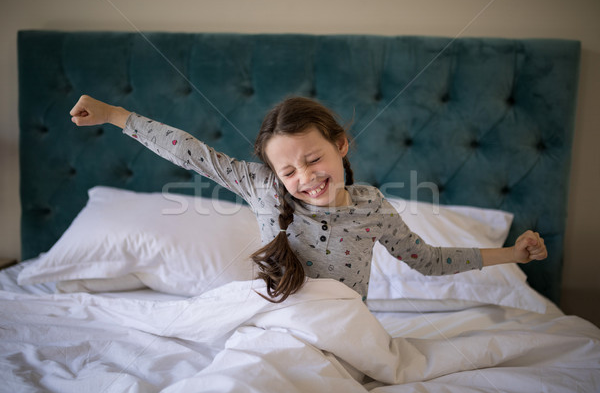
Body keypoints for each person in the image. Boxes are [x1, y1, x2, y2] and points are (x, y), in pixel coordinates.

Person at [70, 95, 547, 303]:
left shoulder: (370, 206)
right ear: (273, 173)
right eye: (289, 169)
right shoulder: (258, 186)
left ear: (340, 145)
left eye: (313, 159)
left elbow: (427, 259)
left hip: (341, 325)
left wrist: (511, 253)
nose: (306, 178)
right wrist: (115, 115)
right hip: (277, 318)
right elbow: (191, 152)